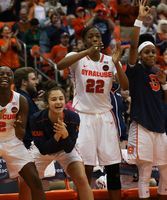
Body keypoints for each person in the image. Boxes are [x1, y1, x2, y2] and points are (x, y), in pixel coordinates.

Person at [57, 25, 129, 200]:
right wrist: (87, 51)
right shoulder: (77, 58)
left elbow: (125, 86)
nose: (96, 39)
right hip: (84, 117)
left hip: (105, 117)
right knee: (86, 167)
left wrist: (116, 62)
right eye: (91, 36)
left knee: (113, 168)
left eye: (98, 36)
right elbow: (60, 65)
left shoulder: (109, 60)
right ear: (83, 40)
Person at [0, 66, 47, 200]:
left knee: (35, 180)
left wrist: (17, 127)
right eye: (1, 74)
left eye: (8, 74)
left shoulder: (20, 100)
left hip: (12, 142)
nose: (5, 76)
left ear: (12, 80)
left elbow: (21, 135)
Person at [19, 80, 94, 200]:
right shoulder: (36, 119)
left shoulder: (73, 117)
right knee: (24, 181)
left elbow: (69, 148)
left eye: (61, 98)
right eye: (54, 99)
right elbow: (43, 149)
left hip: (65, 150)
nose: (58, 102)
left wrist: (65, 135)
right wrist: (57, 136)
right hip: (41, 151)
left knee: (81, 178)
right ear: (46, 104)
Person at [126, 0, 167, 198]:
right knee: (146, 172)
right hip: (142, 125)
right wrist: (139, 20)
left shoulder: (159, 72)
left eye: (153, 51)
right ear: (139, 55)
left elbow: (165, 100)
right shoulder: (136, 70)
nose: (151, 54)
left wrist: (165, 83)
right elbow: (133, 46)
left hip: (160, 127)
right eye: (146, 52)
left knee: (166, 173)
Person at [14, 67, 39, 149]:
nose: (36, 82)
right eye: (33, 79)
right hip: (26, 144)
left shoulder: (21, 96)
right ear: (24, 82)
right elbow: (36, 121)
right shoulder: (24, 99)